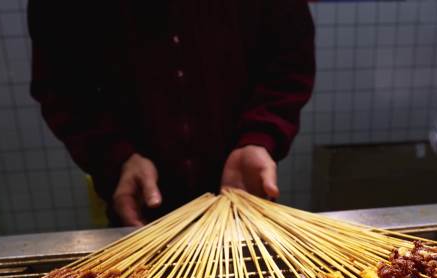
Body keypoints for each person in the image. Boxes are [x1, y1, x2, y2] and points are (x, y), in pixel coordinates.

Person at [28, 0, 315, 226]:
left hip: (244, 197)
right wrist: (115, 157)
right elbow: (62, 86)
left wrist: (260, 136)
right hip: (140, 207)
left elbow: (290, 66)